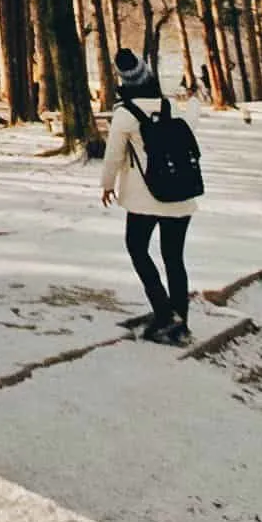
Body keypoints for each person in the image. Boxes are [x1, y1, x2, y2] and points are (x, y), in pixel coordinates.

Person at [101, 46, 199, 344]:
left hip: (145, 199)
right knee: (174, 258)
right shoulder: (168, 106)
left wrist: (107, 185)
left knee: (137, 248)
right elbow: (191, 126)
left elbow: (113, 155)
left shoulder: (125, 114)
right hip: (180, 196)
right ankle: (179, 318)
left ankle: (163, 310)